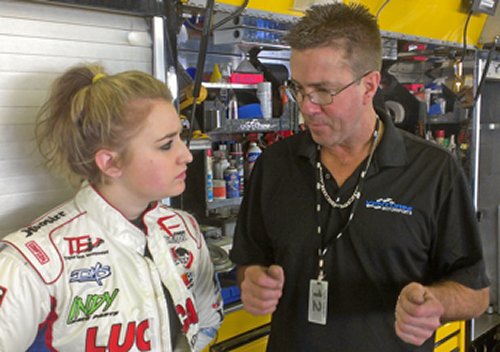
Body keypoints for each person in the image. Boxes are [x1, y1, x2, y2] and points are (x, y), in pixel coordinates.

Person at [229, 3, 490, 351]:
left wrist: (436, 302)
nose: (307, 106)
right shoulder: (275, 165)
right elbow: (250, 259)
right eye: (299, 89)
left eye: (324, 91)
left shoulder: (433, 171)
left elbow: (475, 292)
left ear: (369, 86)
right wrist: (252, 281)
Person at [0, 64, 223, 351]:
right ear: (111, 163)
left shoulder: (184, 230)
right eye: (167, 145)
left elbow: (205, 324)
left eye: (181, 136)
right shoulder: (34, 262)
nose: (186, 155)